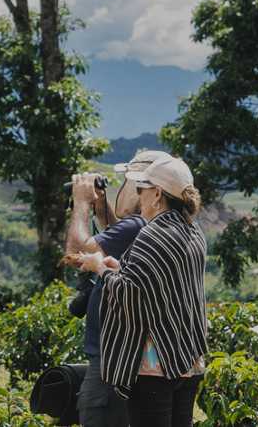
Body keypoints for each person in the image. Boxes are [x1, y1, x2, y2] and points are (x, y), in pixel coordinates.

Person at [73, 156, 208, 427]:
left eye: (141, 189)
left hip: (154, 363)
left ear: (157, 193)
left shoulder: (152, 233)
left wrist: (101, 270)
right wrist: (117, 266)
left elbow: (130, 296)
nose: (140, 197)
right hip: (187, 360)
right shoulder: (193, 231)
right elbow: (157, 285)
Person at [66, 151, 170, 427]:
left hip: (111, 359)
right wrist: (102, 207)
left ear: (143, 189)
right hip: (140, 357)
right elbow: (119, 236)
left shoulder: (138, 224)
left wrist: (81, 202)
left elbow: (75, 252)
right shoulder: (165, 227)